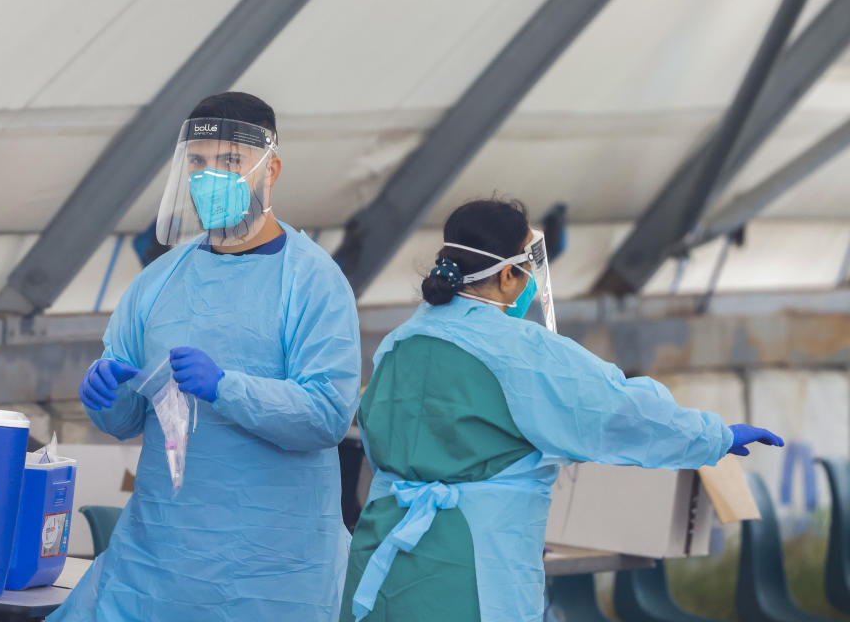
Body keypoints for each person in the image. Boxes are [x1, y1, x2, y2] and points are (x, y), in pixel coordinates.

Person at [339, 198, 784, 622]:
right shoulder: (519, 351)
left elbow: (377, 445)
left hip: (380, 553)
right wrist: (712, 435)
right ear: (510, 276)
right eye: (527, 268)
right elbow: (619, 413)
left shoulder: (398, 344)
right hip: (470, 566)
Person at [51, 92, 362, 622]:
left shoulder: (311, 281)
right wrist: (105, 395)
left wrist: (226, 387)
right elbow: (125, 418)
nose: (209, 175)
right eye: (197, 161)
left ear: (272, 170)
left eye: (230, 161)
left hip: (273, 578)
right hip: (155, 570)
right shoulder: (159, 280)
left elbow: (329, 414)